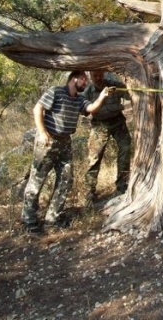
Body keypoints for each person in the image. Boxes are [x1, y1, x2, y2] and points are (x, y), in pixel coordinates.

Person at [21, 70, 110, 233]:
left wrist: (102, 96)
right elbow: (38, 109)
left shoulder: (79, 99)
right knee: (37, 180)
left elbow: (91, 108)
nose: (85, 82)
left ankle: (52, 219)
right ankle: (29, 220)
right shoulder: (56, 91)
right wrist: (42, 132)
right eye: (83, 79)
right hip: (48, 140)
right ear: (73, 79)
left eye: (86, 80)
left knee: (66, 179)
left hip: (65, 142)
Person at [83, 70, 132, 205]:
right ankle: (90, 191)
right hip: (99, 125)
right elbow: (84, 111)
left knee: (125, 149)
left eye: (100, 74)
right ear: (90, 76)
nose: (98, 77)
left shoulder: (114, 85)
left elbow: (132, 94)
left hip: (118, 122)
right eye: (95, 75)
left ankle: (123, 184)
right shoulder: (88, 91)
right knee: (94, 158)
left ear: (103, 74)